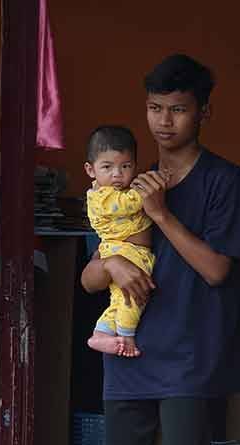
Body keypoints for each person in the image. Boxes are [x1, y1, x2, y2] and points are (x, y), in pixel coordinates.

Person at [80, 54, 240, 445]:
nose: (164, 122)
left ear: (204, 112)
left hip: (193, 357)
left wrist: (161, 215)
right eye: (155, 108)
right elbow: (88, 279)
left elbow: (218, 270)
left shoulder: (223, 180)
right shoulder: (122, 183)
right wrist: (109, 261)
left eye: (178, 109)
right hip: (130, 355)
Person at [83, 126, 159, 358]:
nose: (117, 174)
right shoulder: (102, 196)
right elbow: (128, 204)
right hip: (125, 252)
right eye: (107, 167)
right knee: (133, 295)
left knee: (118, 300)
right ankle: (126, 337)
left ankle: (101, 333)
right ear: (90, 170)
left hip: (126, 250)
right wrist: (152, 187)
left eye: (125, 167)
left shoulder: (116, 190)